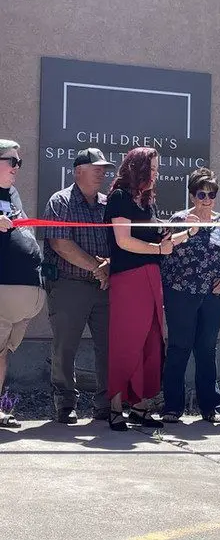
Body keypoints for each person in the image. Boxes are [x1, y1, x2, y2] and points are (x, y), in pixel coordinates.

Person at [105, 147, 198, 431]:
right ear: (138, 168)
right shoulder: (120, 197)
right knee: (126, 340)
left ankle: (140, 405)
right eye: (152, 168)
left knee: (151, 338)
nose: (156, 174)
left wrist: (189, 232)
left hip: (151, 276)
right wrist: (158, 249)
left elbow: (163, 243)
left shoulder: (147, 203)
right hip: (128, 278)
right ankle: (115, 407)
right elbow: (123, 241)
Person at [161, 167, 220, 423]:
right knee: (178, 348)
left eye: (211, 194)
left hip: (214, 296)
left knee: (206, 349)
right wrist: (186, 232)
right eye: (201, 194)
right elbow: (163, 252)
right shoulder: (178, 220)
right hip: (181, 294)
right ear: (192, 196)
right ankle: (172, 407)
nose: (207, 199)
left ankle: (210, 407)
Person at [44, 148, 115, 424]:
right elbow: (60, 244)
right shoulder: (60, 201)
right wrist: (97, 267)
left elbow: (115, 243)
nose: (102, 172)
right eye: (95, 167)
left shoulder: (108, 204)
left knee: (108, 347)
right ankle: (65, 404)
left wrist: (109, 264)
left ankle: (105, 404)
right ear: (78, 171)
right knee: (65, 347)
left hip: (103, 286)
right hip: (68, 285)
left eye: (103, 168)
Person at [0, 139, 46, 428]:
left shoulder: (13, 194)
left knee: (2, 354)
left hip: (24, 292)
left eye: (20, 162)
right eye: (11, 161)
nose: (18, 167)